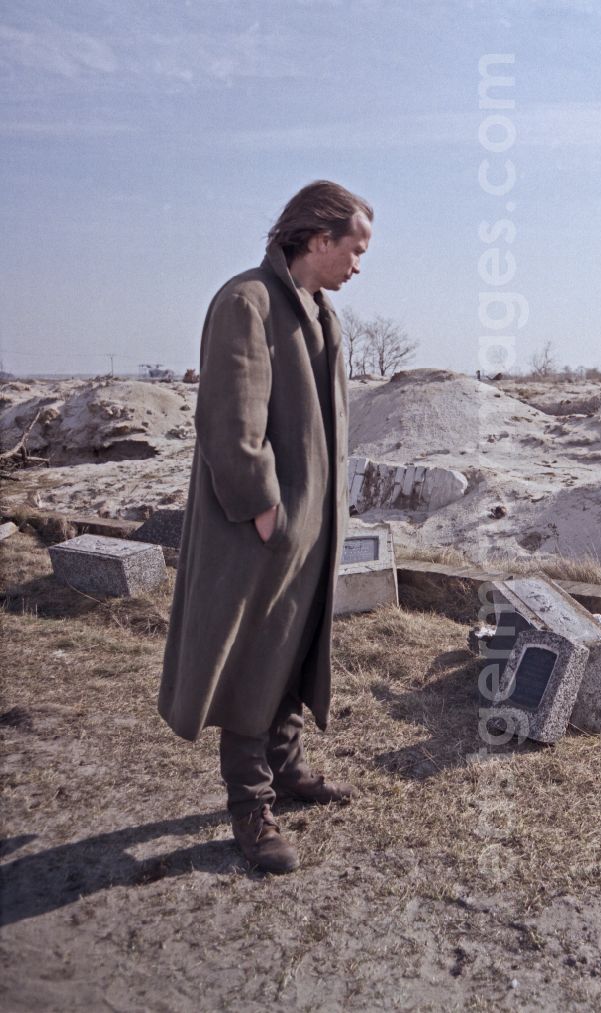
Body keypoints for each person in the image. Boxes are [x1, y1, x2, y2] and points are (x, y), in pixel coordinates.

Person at [159, 181, 373, 874]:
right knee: (251, 660)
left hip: (310, 532)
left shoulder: (323, 314)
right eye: (355, 248)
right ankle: (251, 806)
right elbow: (230, 420)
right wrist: (264, 509)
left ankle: (286, 768)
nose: (357, 265)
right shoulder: (246, 302)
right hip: (260, 530)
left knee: (291, 650)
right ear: (318, 240)